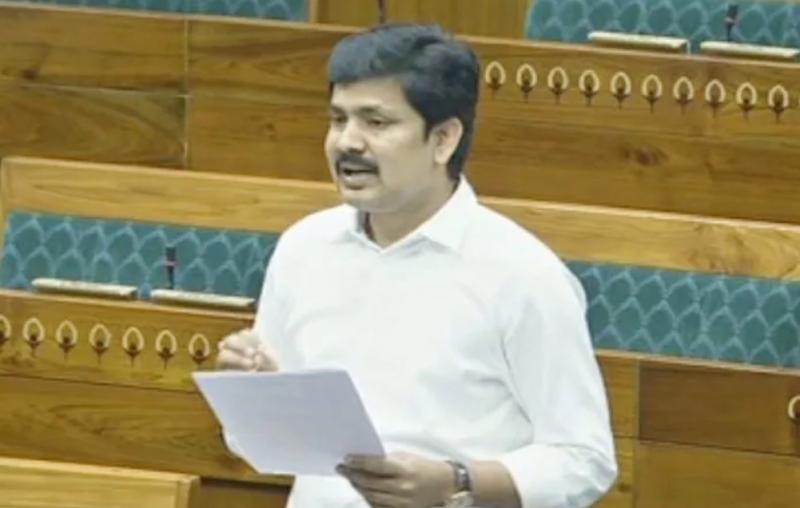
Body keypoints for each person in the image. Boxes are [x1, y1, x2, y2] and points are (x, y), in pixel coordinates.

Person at [216, 23, 617, 508]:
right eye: (338, 119)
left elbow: (584, 459)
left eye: (376, 122)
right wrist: (255, 393)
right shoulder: (304, 247)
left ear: (443, 139)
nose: (347, 142)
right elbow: (261, 447)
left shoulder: (523, 274)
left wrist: (458, 481)